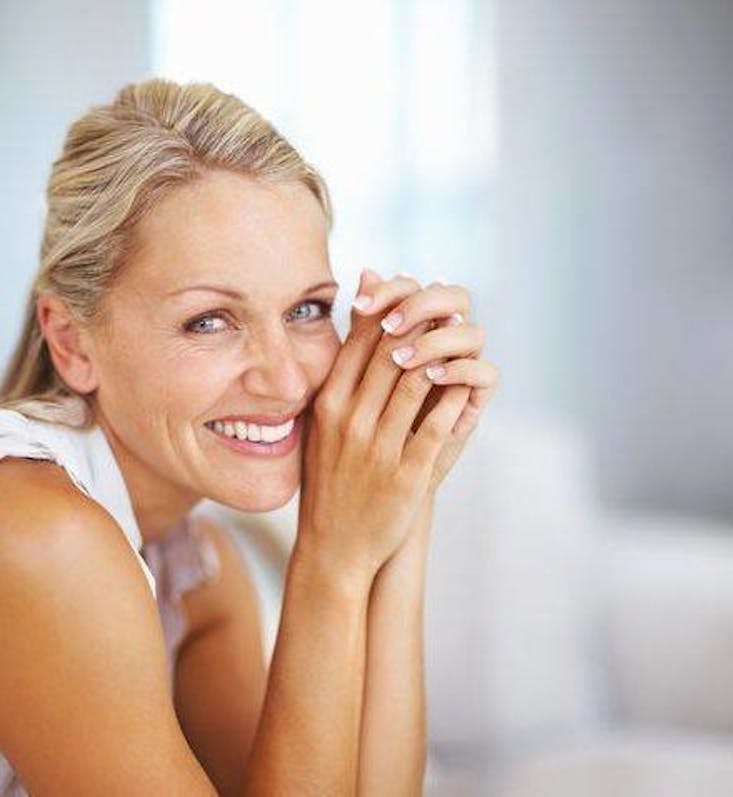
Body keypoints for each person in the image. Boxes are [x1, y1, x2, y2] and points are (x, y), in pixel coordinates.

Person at [0, 78, 499, 796]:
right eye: (210, 320)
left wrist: (408, 492)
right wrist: (329, 559)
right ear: (73, 342)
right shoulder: (37, 536)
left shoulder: (198, 567)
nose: (283, 377)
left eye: (306, 309)